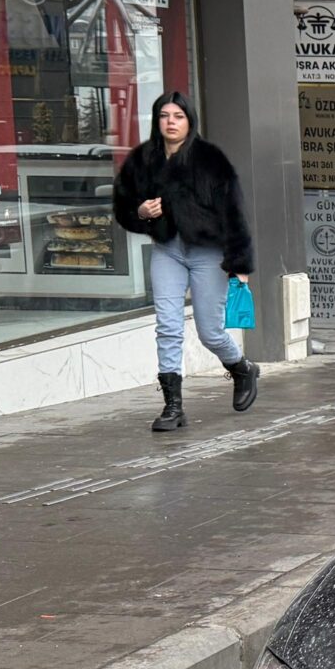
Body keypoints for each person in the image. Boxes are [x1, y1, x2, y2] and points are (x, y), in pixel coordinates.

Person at [113, 92, 260, 432]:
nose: (171, 122)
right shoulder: (142, 160)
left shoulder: (210, 159)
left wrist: (239, 262)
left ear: (189, 120)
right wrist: (140, 211)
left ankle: (241, 368)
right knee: (167, 326)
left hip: (208, 253)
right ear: (157, 120)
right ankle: (173, 407)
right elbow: (122, 204)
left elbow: (234, 212)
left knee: (210, 331)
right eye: (164, 115)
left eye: (178, 116)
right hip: (167, 250)